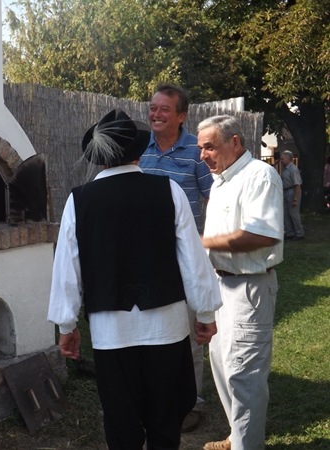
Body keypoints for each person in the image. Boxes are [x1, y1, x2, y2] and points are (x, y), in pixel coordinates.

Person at [48, 108, 222, 450]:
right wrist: (205, 312)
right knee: (165, 420)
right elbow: (193, 258)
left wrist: (66, 325)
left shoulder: (78, 201)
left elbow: (67, 270)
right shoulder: (169, 190)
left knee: (121, 423)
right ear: (139, 152)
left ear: (100, 157)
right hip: (167, 328)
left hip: (111, 333)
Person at [198, 115, 283, 450]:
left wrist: (202, 243)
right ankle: (238, 438)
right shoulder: (220, 181)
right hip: (221, 286)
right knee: (222, 365)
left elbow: (262, 235)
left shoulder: (259, 175)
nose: (203, 155)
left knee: (244, 374)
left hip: (249, 288)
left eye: (209, 147)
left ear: (234, 142)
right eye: (201, 148)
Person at [139, 82, 214, 432]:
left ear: (181, 116)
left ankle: (190, 402)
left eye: (164, 109)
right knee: (149, 330)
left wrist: (206, 244)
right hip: (145, 259)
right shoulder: (141, 151)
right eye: (153, 108)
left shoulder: (196, 152)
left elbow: (215, 199)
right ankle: (154, 399)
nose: (155, 114)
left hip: (184, 258)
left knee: (189, 332)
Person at [279, 150, 305, 241]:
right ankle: (289, 232)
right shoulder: (286, 169)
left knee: (294, 214)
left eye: (282, 159)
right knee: (286, 213)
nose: (281, 161)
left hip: (292, 191)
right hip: (286, 191)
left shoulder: (293, 169)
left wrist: (295, 198)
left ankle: (299, 233)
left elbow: (297, 184)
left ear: (288, 159)